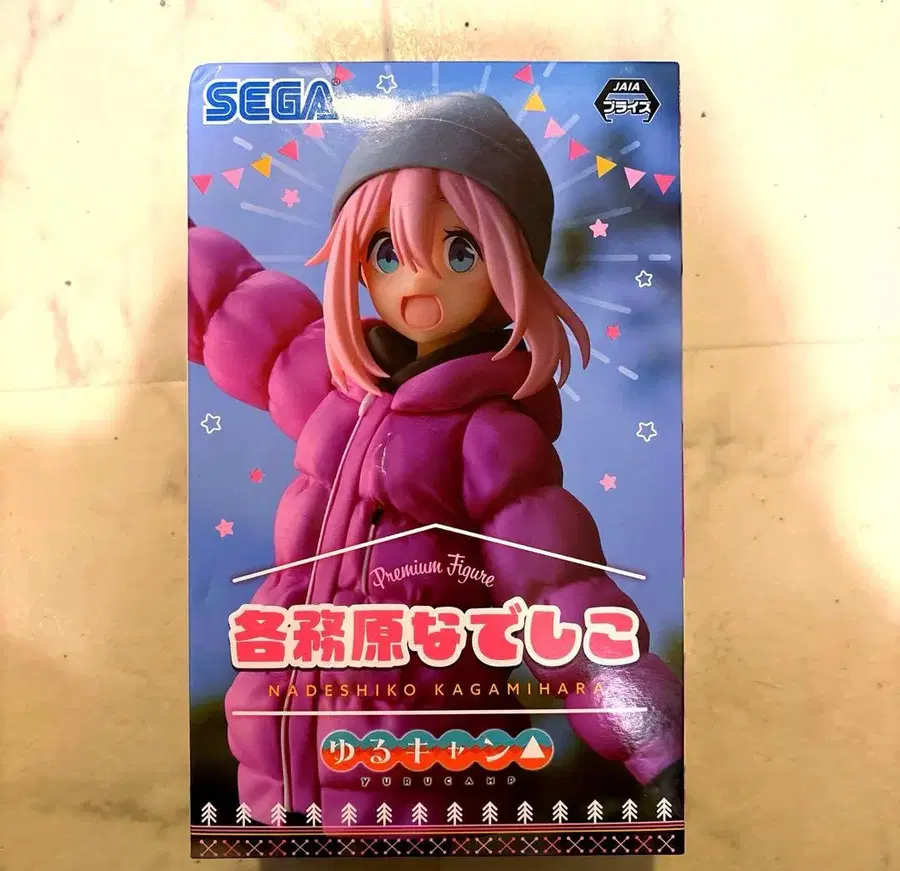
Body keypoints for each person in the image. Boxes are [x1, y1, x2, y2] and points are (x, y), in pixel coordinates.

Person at [188, 92, 683, 828]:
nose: (417, 281)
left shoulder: (487, 435)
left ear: (511, 267)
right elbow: (233, 307)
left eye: (459, 252)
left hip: (423, 779)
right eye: (388, 253)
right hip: (280, 783)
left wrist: (656, 740)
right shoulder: (336, 388)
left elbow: (563, 596)